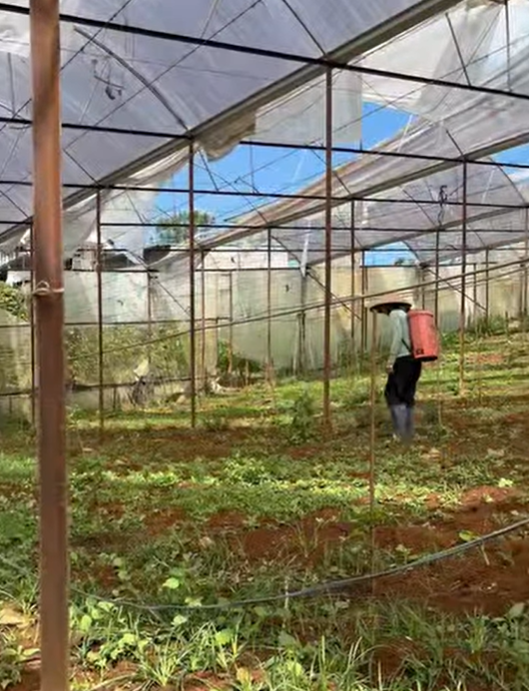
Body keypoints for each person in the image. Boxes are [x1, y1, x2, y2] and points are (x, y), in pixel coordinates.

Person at [373, 297, 422, 443]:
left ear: (387, 307)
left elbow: (397, 336)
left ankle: (400, 433)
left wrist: (390, 361)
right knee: (407, 395)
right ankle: (409, 432)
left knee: (393, 394)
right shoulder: (405, 315)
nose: (382, 312)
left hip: (402, 360)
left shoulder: (395, 314)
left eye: (381, 310)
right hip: (415, 360)